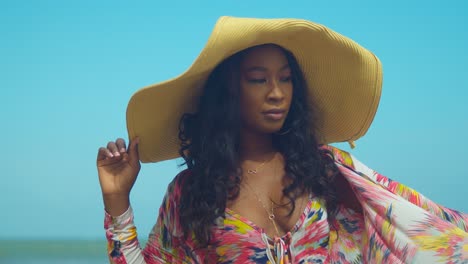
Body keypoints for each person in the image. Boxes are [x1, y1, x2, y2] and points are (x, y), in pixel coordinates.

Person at [96, 17, 468, 263]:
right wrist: (117, 199)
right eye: (259, 79)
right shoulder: (192, 192)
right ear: (229, 91)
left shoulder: (326, 169)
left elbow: (417, 224)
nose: (277, 93)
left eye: (286, 79)